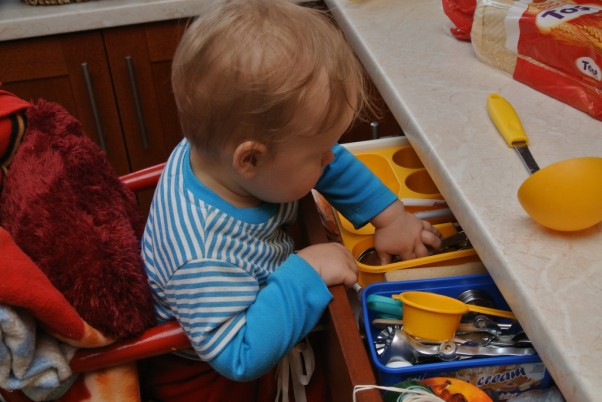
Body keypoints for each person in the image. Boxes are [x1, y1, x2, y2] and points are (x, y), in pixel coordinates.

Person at [140, 0, 442, 400]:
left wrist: (391, 217)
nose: (330, 157)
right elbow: (239, 354)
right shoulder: (204, 257)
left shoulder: (222, 152)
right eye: (317, 153)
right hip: (209, 378)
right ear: (250, 159)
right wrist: (307, 271)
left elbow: (325, 162)